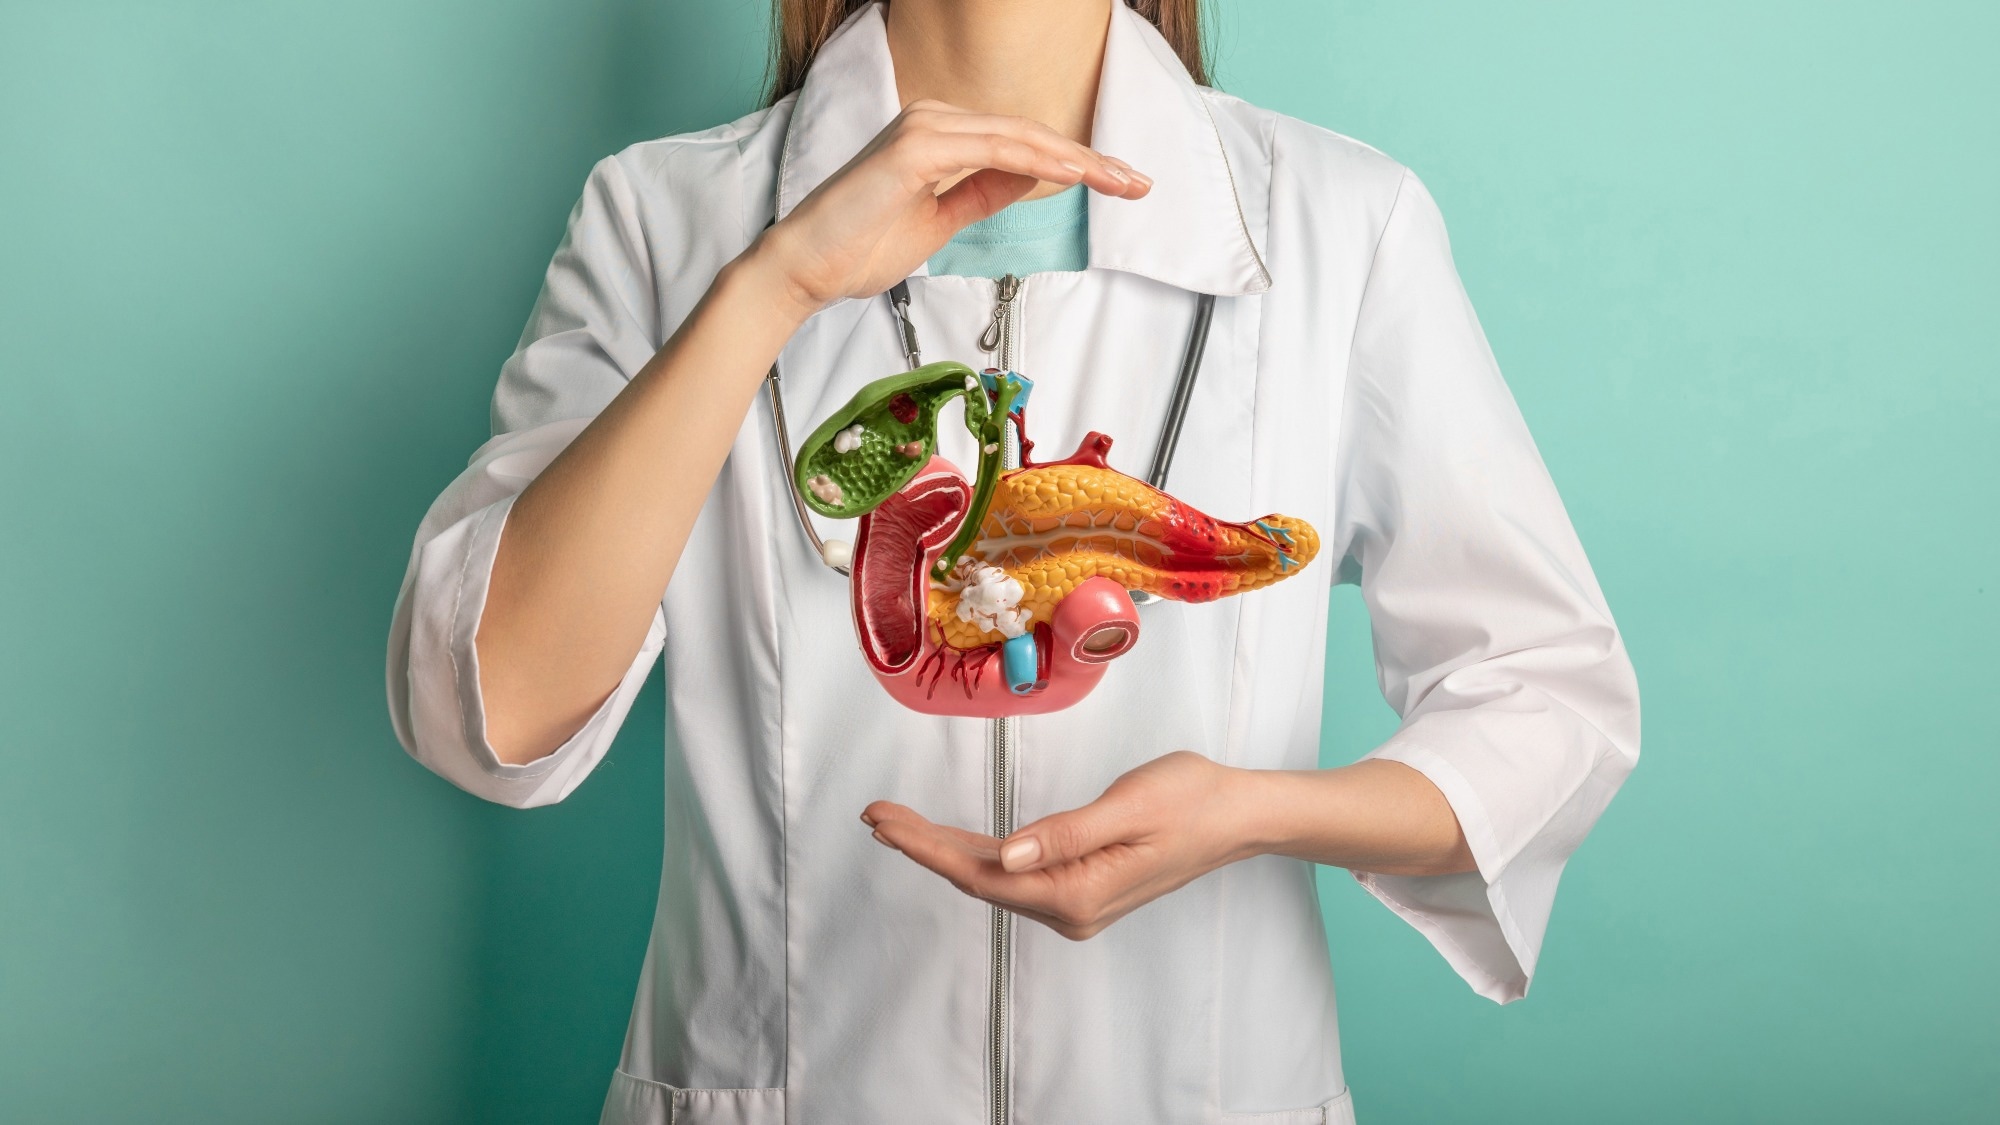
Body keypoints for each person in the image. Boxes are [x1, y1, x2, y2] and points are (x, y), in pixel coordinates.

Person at [385, 1, 1641, 1121]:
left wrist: (1253, 814)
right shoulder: (666, 219)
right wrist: (772, 285)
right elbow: (486, 713)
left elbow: (1549, 700)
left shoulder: (1337, 224)